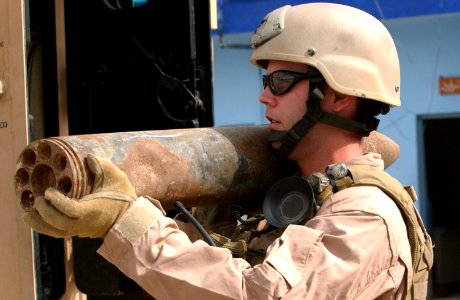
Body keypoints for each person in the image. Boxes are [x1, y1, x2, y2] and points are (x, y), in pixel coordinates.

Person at [23, 3, 433, 299]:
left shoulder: (364, 217)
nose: (264, 97)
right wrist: (113, 217)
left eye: (280, 82)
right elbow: (222, 262)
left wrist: (128, 225)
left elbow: (258, 293)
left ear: (338, 94)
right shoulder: (302, 194)